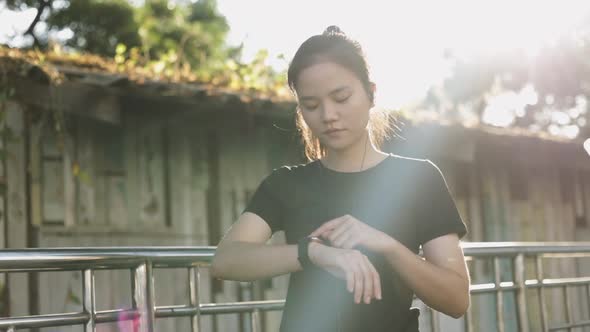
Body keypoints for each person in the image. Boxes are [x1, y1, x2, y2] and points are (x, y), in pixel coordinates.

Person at [211, 25, 470, 332]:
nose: (328, 115)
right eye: (311, 105)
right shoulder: (286, 184)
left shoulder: (418, 178)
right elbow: (225, 261)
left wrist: (387, 245)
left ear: (371, 93)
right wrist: (313, 253)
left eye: (341, 97)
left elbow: (456, 300)